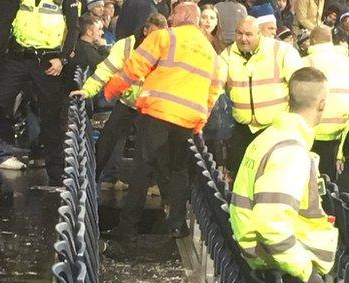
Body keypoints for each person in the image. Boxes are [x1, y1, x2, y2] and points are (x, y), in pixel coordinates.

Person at [230, 66, 345, 283]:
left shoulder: (269, 138)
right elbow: (271, 222)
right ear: (322, 104)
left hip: (269, 259)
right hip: (287, 264)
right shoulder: (290, 150)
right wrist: (304, 268)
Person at [103, 2, 222, 239]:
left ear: (185, 15)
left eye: (174, 13)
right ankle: (177, 225)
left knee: (142, 169)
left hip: (158, 112)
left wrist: (111, 90)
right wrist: (199, 123)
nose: (170, 16)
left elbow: (135, 66)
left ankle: (128, 227)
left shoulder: (166, 37)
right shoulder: (211, 52)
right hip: (187, 120)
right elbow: (213, 92)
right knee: (178, 171)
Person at [0, 0, 79, 187]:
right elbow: (4, 20)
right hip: (19, 56)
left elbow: (74, 28)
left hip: (49, 60)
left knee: (51, 119)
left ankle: (57, 179)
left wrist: (63, 59)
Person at [71, 12, 168, 181]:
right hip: (128, 102)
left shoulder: (167, 49)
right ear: (145, 31)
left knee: (155, 150)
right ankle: (90, 179)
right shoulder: (126, 45)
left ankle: (161, 190)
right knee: (108, 140)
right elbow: (106, 70)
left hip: (151, 108)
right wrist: (87, 90)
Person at [220, 16, 303, 175]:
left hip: (275, 127)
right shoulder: (227, 54)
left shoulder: (282, 51)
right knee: (240, 175)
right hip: (242, 128)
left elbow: (300, 87)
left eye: (249, 34)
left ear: (259, 33)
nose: (243, 39)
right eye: (239, 34)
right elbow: (216, 84)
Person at [305, 25, 349, 179]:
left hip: (312, 131)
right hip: (340, 133)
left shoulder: (306, 62)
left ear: (313, 40)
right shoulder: (346, 61)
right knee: (330, 182)